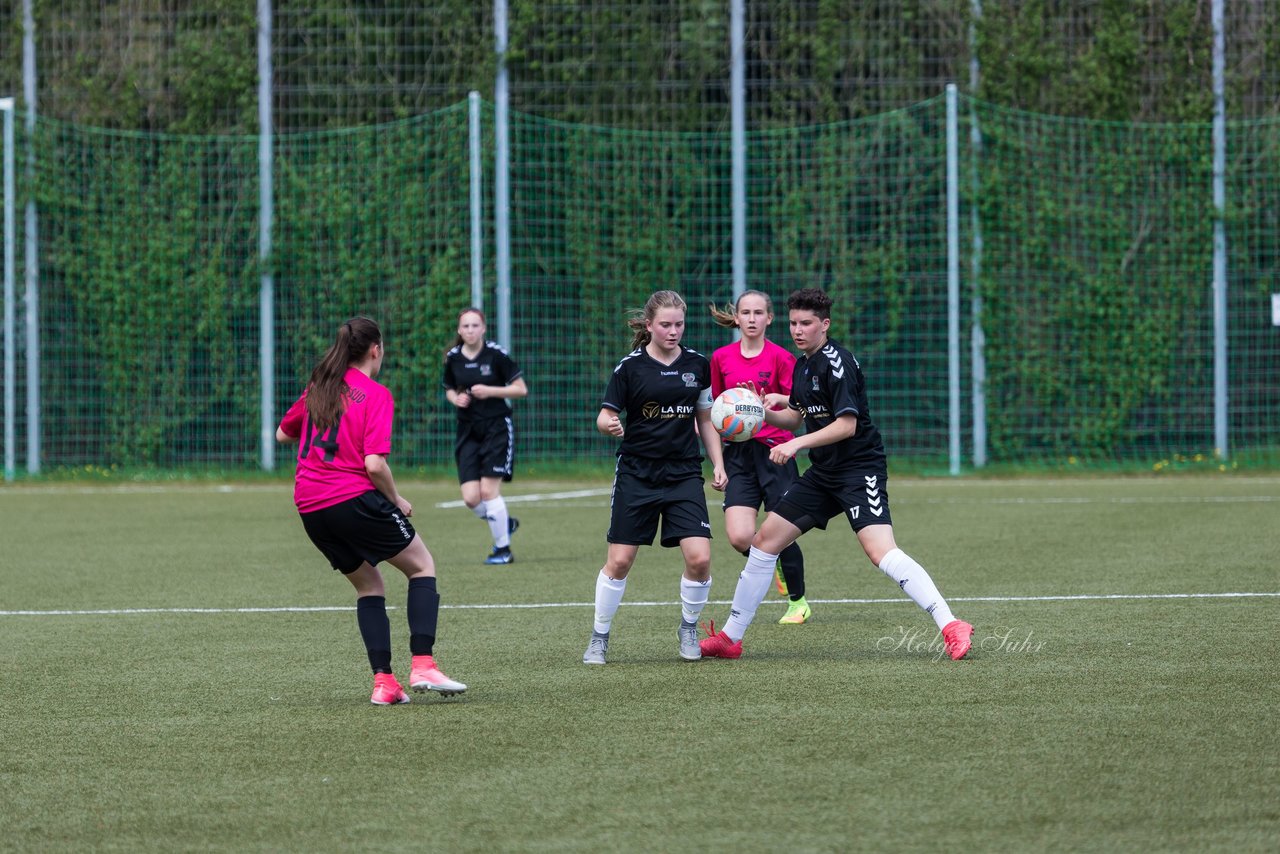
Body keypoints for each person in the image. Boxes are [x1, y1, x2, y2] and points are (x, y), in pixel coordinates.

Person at [700, 288, 974, 661]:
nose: (798, 330)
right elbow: (796, 417)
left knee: (880, 552)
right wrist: (758, 412)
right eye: (794, 322)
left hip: (859, 470)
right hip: (824, 472)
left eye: (807, 323)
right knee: (764, 542)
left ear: (824, 324)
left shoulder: (837, 362)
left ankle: (951, 624)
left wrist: (795, 445)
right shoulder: (803, 364)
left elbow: (846, 425)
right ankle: (731, 638)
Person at [277, 316, 468, 705]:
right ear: (375, 350)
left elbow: (283, 433)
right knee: (421, 566)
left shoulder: (319, 387)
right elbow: (374, 465)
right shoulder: (375, 394)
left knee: (369, 586)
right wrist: (396, 500)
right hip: (350, 498)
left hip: (310, 506)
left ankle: (384, 683)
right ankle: (423, 664)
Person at [583, 290, 728, 665]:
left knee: (700, 559)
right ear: (649, 326)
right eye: (665, 324)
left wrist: (718, 462)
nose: (673, 331)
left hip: (682, 474)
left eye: (679, 324)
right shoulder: (629, 368)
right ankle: (599, 636)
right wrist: (609, 424)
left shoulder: (698, 364)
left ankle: (689, 628)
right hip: (637, 473)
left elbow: (705, 416)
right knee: (619, 561)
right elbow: (604, 415)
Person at [709, 290, 811, 624]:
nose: (752, 319)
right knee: (740, 536)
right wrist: (718, 463)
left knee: (782, 530)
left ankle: (798, 602)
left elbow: (796, 409)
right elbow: (712, 411)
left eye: (758, 313)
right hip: (738, 455)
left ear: (769, 318)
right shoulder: (721, 358)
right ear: (736, 318)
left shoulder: (782, 358)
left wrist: (775, 402)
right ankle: (774, 559)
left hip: (776, 453)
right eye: (745, 313)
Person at [442, 307, 529, 565]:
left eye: (474, 325)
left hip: (496, 428)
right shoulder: (453, 358)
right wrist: (455, 398)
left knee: (489, 492)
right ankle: (504, 523)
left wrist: (490, 391)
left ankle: (503, 550)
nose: (470, 330)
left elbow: (520, 390)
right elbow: (448, 388)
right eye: (465, 326)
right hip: (467, 430)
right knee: (471, 498)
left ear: (483, 328)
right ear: (459, 330)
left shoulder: (496, 355)